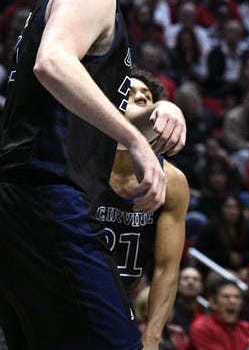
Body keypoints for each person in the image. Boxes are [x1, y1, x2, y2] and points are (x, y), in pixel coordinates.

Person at [0, 0, 185, 350]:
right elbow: (53, 64)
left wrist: (154, 115)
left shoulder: (61, 1)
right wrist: (138, 142)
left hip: (7, 203)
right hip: (43, 197)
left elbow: (81, 104)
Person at [92, 70, 190, 350]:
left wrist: (152, 339)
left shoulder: (173, 181)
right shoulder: (80, 162)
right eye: (127, 92)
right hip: (65, 300)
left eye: (145, 97)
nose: (137, 97)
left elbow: (166, 269)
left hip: (120, 307)